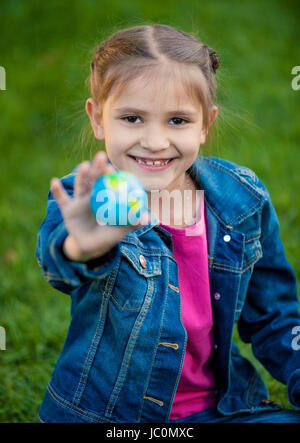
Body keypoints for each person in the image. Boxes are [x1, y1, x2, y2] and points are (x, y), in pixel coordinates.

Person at [35, 24, 300, 423]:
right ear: (98, 119)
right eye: (132, 118)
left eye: (177, 120)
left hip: (224, 410)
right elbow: (59, 262)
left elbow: (276, 317)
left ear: (206, 124)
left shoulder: (241, 200)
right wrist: (83, 248)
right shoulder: (86, 201)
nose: (156, 141)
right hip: (113, 419)